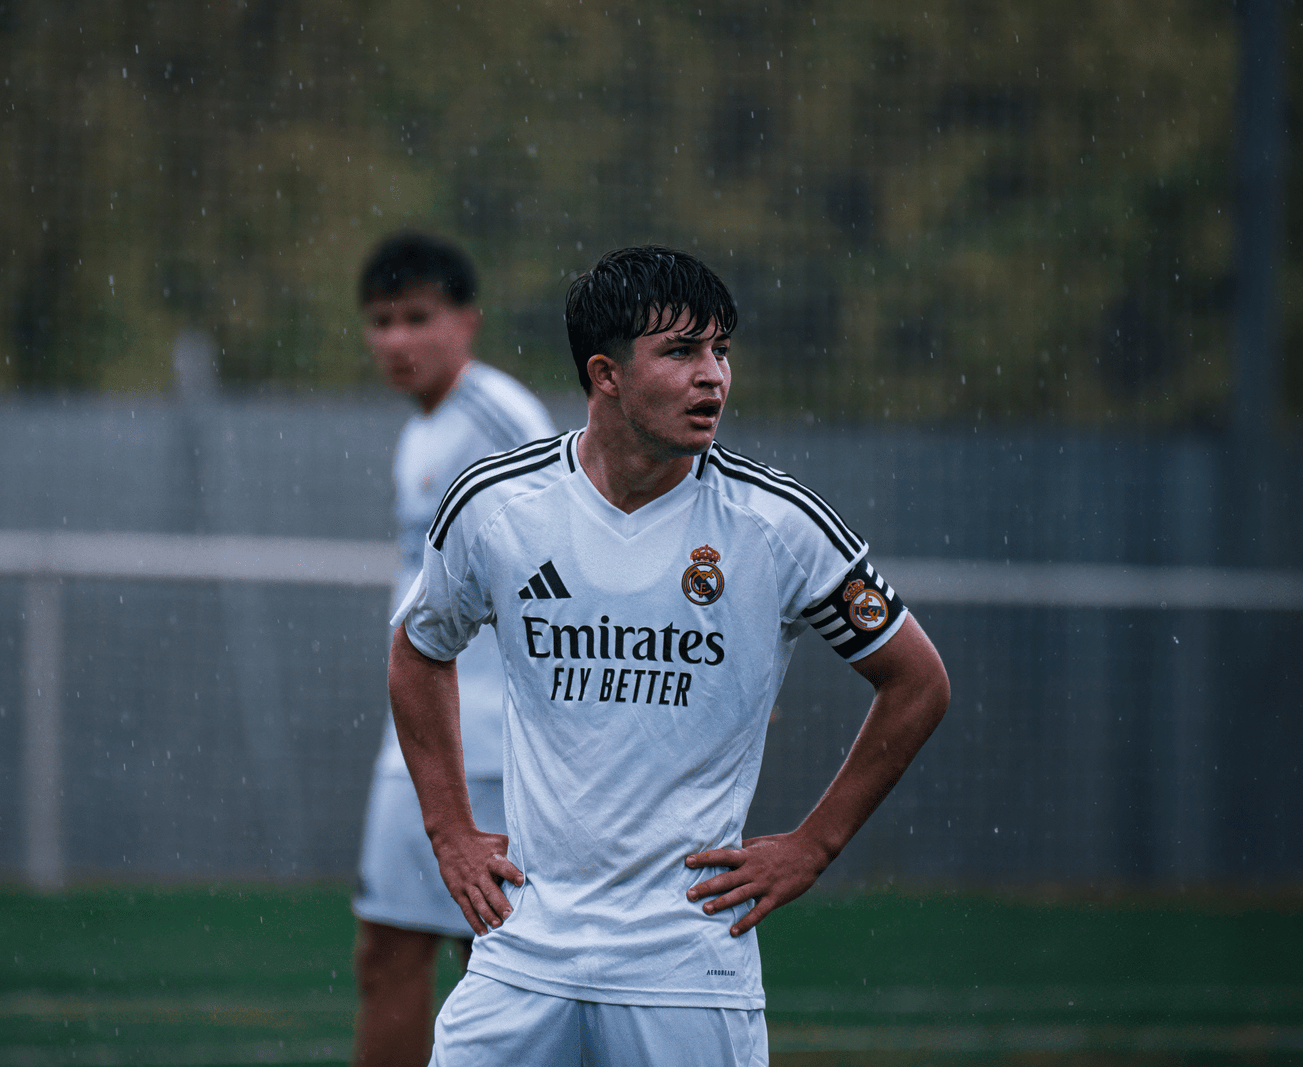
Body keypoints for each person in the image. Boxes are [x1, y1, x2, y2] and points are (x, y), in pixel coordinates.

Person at [388, 246, 951, 1065]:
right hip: (524, 948)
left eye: (721, 350)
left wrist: (814, 844)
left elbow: (917, 682)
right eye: (682, 351)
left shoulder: (776, 523)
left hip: (688, 966)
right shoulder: (498, 506)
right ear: (606, 374)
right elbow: (418, 649)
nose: (713, 376)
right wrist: (450, 832)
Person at [351, 232, 556, 1067]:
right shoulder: (424, 431)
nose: (397, 339)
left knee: (494, 969)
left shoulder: (497, 417)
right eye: (381, 321)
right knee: (394, 952)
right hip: (426, 738)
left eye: (417, 317)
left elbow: (562, 556)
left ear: (466, 321)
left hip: (490, 747)